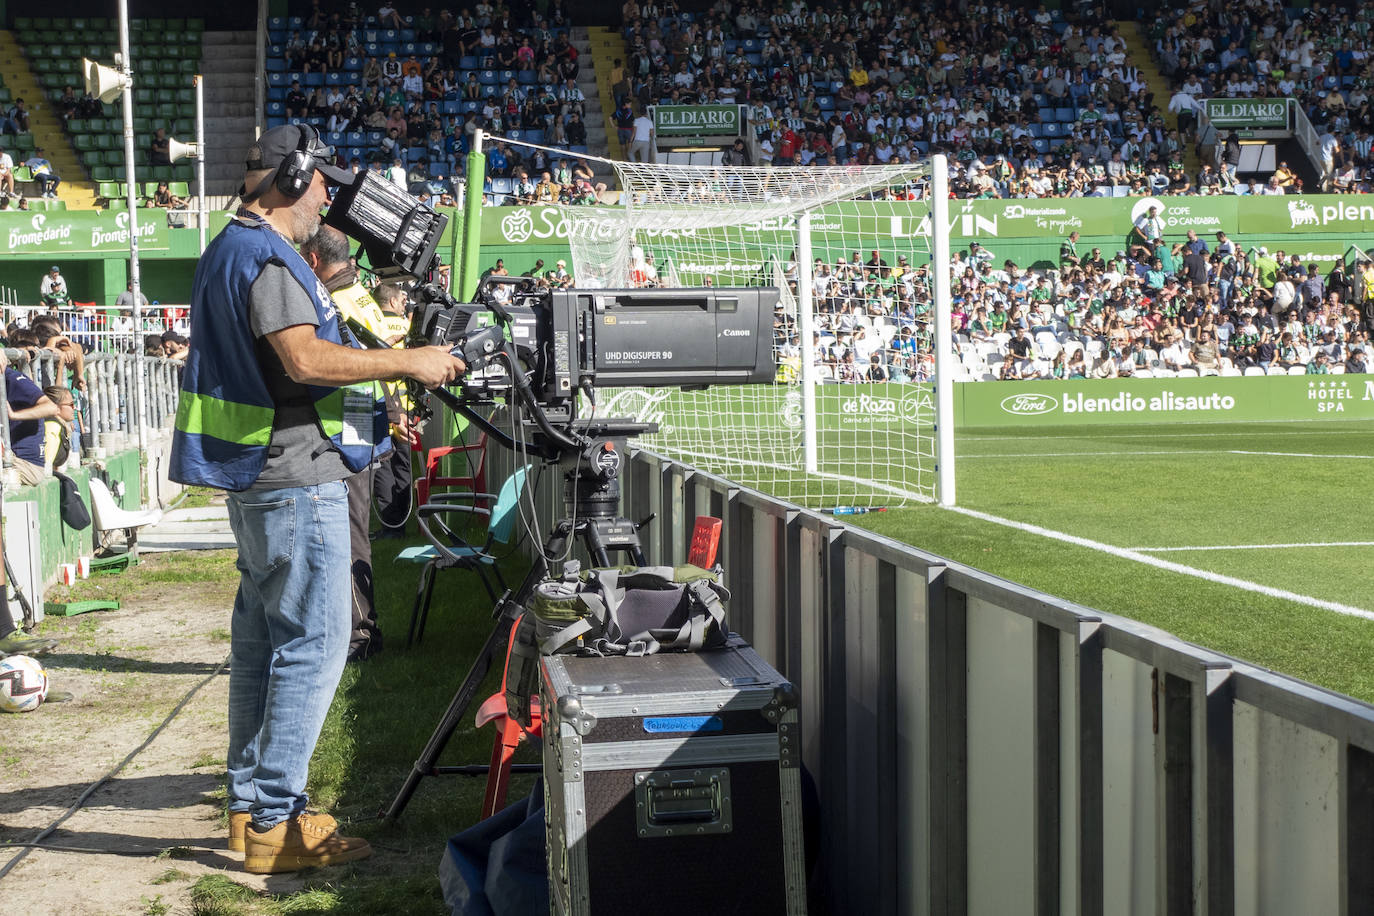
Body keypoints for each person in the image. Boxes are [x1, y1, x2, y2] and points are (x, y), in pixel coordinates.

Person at [168, 124, 464, 874]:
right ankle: (276, 820)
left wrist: (371, 406)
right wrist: (410, 361)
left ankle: (248, 809)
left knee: (262, 648)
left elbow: (286, 369)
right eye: (324, 182)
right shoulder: (266, 256)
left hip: (264, 480)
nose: (332, 198)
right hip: (296, 485)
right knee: (316, 645)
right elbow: (301, 358)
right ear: (293, 179)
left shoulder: (230, 246)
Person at [299, 225, 391, 661]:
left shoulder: (331, 302)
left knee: (350, 538)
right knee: (355, 535)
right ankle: (360, 631)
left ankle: (361, 636)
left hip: (345, 435)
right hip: (364, 429)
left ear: (313, 259)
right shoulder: (360, 297)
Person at [5, 367, 59, 485]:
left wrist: (14, 415)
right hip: (14, 461)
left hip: (26, 465)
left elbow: (51, 408)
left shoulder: (13, 378)